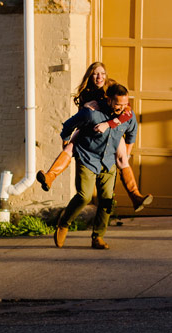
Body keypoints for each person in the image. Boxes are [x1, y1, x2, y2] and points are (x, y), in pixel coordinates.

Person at [35, 61, 152, 212]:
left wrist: (109, 124)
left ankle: (135, 196)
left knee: (122, 157)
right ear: (90, 75)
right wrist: (85, 107)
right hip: (89, 128)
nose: (99, 77)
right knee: (71, 146)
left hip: (112, 127)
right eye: (96, 73)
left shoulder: (111, 86)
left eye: (102, 73)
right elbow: (81, 117)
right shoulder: (85, 91)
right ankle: (50, 177)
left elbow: (126, 111)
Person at [54, 83, 136, 250]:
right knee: (84, 196)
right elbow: (68, 124)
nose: (122, 107)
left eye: (125, 103)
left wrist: (125, 154)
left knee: (107, 200)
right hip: (88, 158)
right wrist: (66, 141)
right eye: (118, 103)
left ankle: (98, 236)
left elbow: (132, 133)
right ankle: (64, 223)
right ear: (109, 100)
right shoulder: (92, 113)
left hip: (108, 162)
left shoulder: (127, 115)